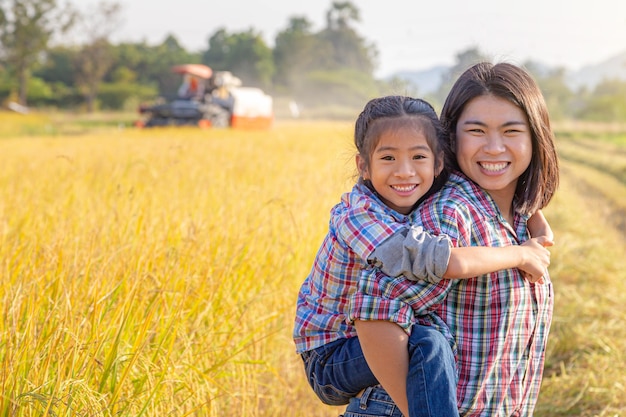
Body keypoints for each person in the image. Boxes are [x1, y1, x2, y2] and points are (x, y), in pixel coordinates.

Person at [293, 95, 553, 417]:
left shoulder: (419, 196)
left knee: (428, 341)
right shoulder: (359, 217)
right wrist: (518, 254)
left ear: (438, 162)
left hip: (359, 348)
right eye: (388, 158)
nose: (404, 172)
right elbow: (445, 262)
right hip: (330, 355)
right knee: (428, 343)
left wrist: (531, 215)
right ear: (363, 166)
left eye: (418, 156)